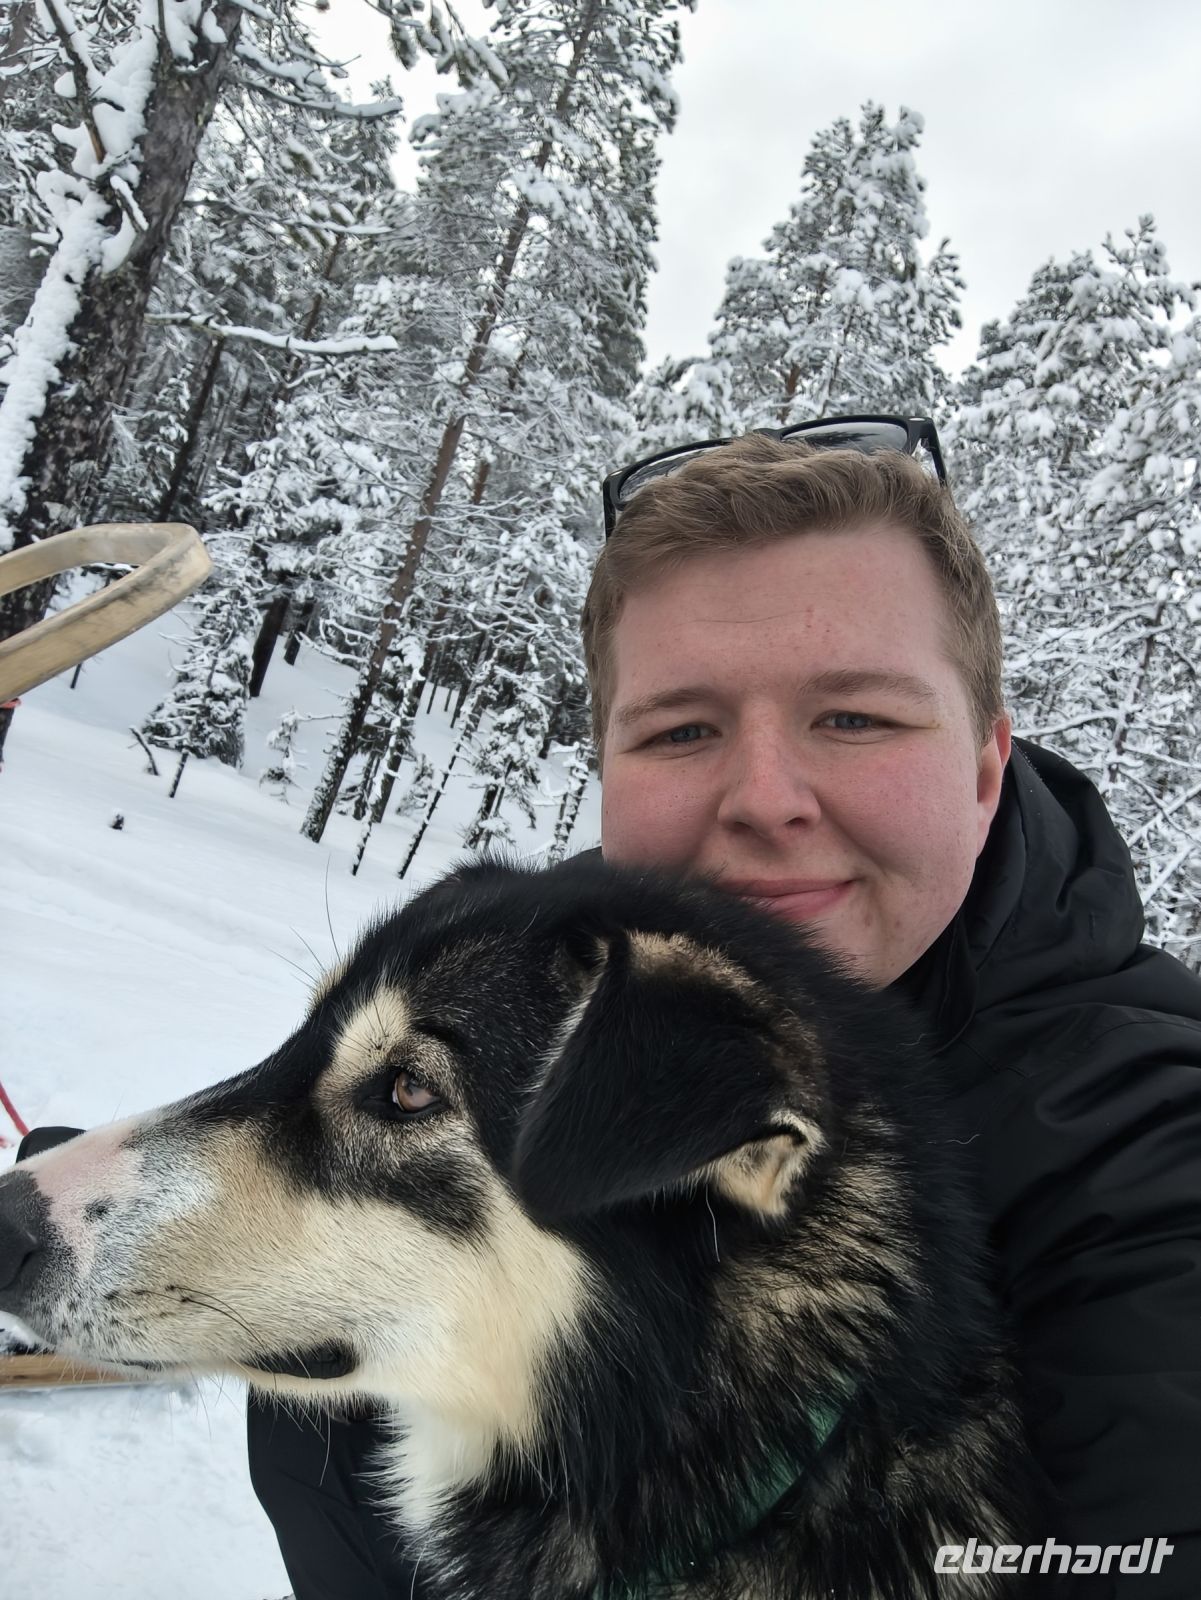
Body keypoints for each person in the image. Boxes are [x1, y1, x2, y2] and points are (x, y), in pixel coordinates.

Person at [58, 419, 1201, 1596]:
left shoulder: (1143, 1151)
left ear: (983, 762)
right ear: (606, 763)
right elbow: (291, 1140)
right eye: (682, 729)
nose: (764, 798)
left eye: (855, 716)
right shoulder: (527, 978)